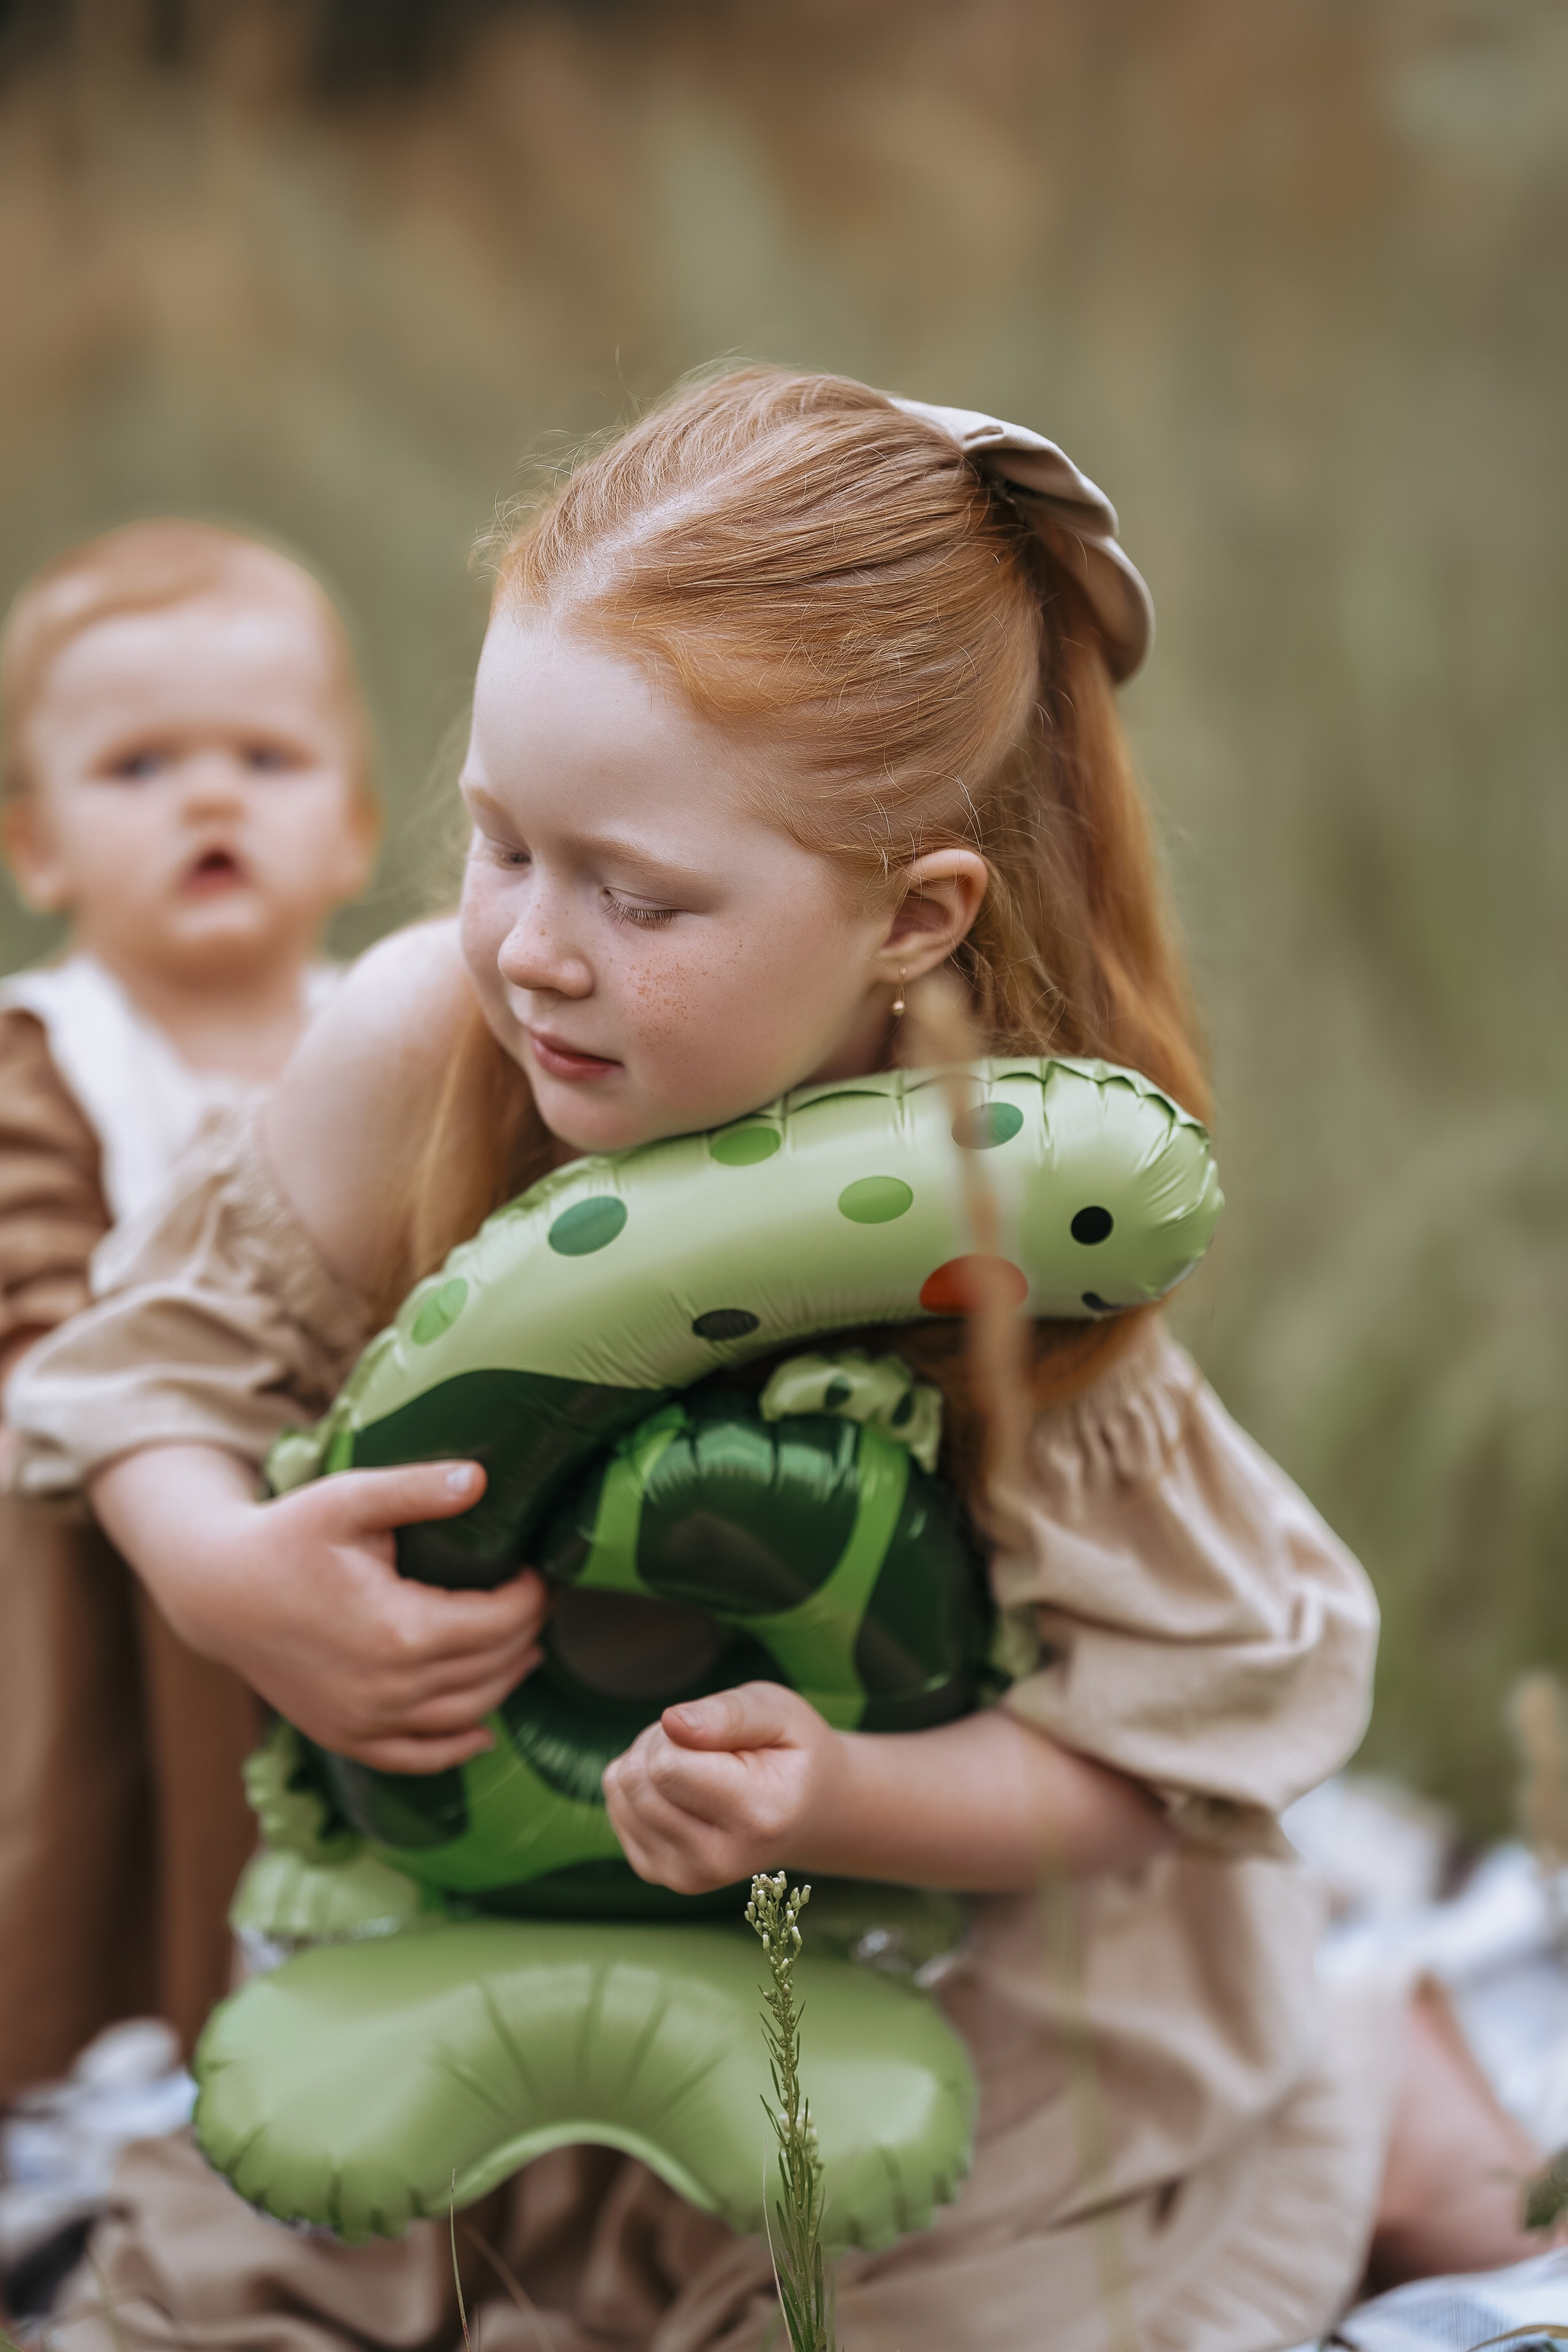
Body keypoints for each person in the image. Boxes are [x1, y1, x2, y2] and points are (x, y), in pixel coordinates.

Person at [6, 375, 1542, 2352]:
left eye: (638, 896)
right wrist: (235, 1579)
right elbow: (143, 1378)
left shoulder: (998, 1215)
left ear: (912, 919)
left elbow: (1156, 1757)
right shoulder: (420, 1050)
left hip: (945, 1997)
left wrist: (842, 1797)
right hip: (482, 1951)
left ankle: (1359, 2071)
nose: (537, 950)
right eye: (496, 844)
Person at [0, 520, 379, 2098]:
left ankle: (332, 2085)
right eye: (141, 767)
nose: (211, 797)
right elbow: (29, 1295)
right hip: (100, 1545)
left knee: (340, 1826)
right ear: (37, 847)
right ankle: (86, 2097)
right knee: (101, 1817)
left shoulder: (385, 1032)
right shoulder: (50, 1053)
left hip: (352, 1507)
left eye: (267, 758)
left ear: (354, 826)